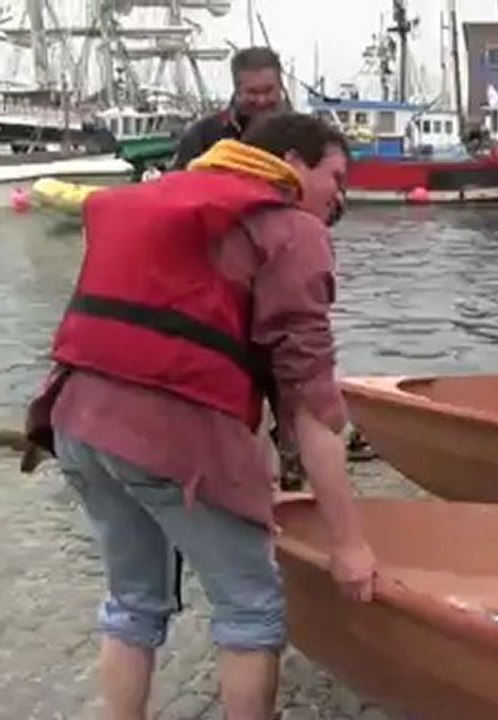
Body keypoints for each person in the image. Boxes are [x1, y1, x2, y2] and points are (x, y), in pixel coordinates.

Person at [22, 112, 377, 719]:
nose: (341, 197)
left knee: (132, 602)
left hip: (78, 418)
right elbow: (313, 404)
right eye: (335, 178)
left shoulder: (159, 194)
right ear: (291, 164)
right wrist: (349, 546)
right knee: (250, 610)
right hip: (167, 437)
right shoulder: (290, 230)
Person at [171, 46, 286, 170]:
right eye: (252, 92)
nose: (261, 100)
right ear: (237, 91)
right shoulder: (203, 136)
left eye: (268, 91)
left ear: (280, 87)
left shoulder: (300, 134)